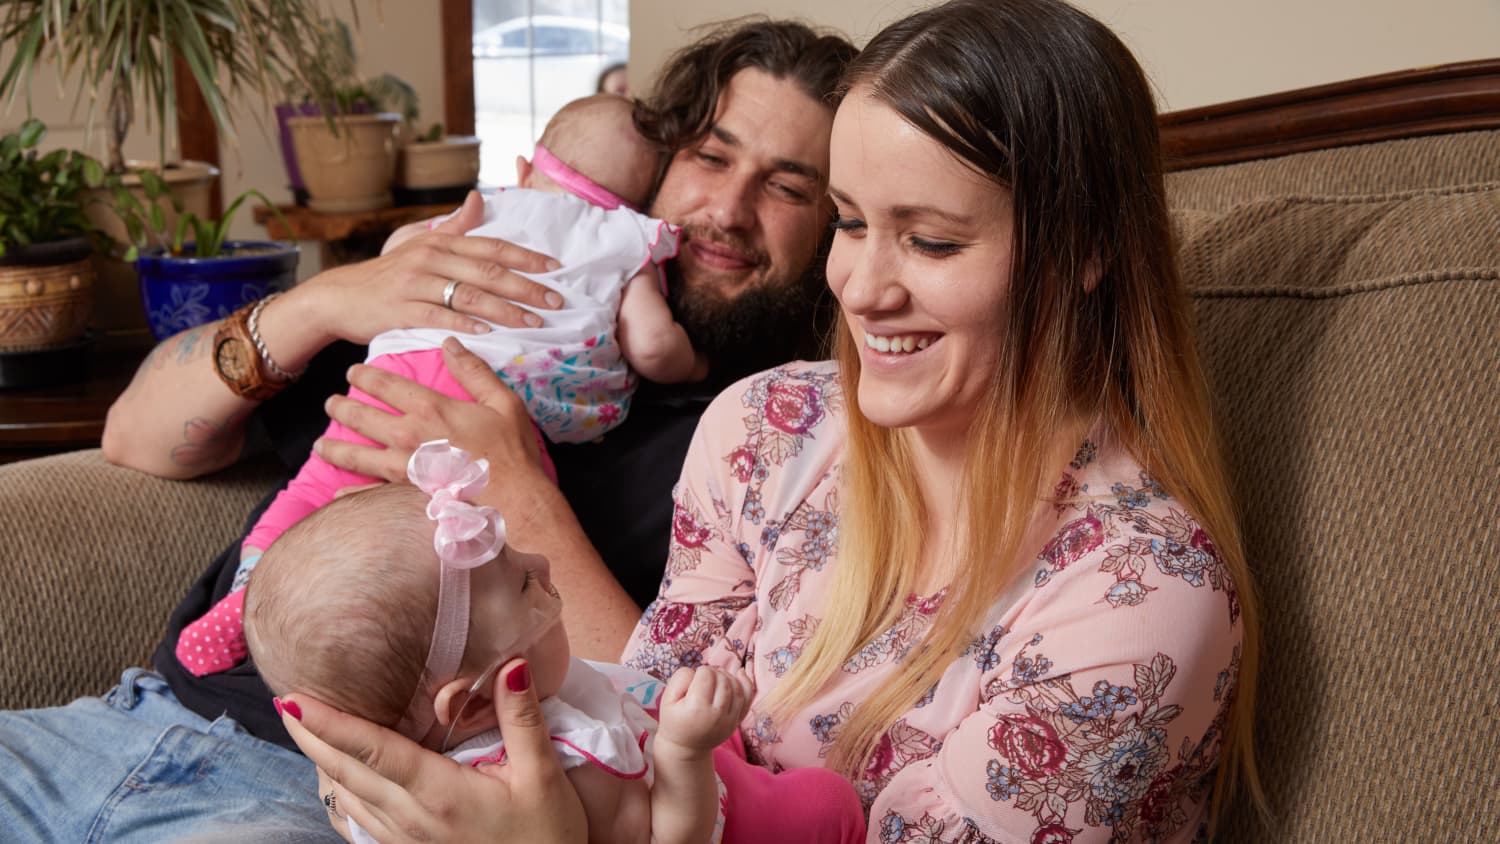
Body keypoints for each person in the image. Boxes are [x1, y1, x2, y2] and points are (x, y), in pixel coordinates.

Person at [283, 0, 1264, 841]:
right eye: (848, 221)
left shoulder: (1140, 599)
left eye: (928, 239)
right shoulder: (770, 427)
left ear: (1085, 250)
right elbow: (644, 708)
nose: (862, 288)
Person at [0, 17, 856, 843]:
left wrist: (518, 491)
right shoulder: (478, 298)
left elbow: (674, 714)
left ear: (835, 223)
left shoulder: (770, 440)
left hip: (341, 799)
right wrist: (321, 303)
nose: (729, 209)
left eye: (788, 186)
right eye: (710, 156)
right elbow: (137, 440)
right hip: (127, 717)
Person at [179, 93, 704, 678]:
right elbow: (655, 346)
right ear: (644, 200)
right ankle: (345, 637)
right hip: (500, 412)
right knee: (471, 546)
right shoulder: (629, 240)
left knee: (312, 491)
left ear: (527, 168)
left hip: (401, 370)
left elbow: (401, 249)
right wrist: (694, 366)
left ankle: (249, 595)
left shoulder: (482, 210)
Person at [245, 441, 864, 844]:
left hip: (649, 733)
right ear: (482, 701)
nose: (543, 562)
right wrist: (682, 750)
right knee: (826, 802)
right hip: (724, 816)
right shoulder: (574, 775)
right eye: (520, 584)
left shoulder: (399, 791)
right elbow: (677, 836)